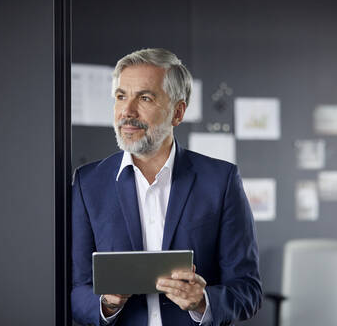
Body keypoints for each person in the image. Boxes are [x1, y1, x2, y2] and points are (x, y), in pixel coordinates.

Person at [71, 48, 262, 326]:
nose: (127, 111)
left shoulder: (221, 180)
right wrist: (107, 303)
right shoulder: (88, 184)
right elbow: (76, 291)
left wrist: (203, 301)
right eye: (121, 96)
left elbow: (249, 290)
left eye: (145, 98)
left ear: (178, 112)